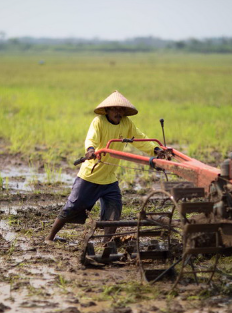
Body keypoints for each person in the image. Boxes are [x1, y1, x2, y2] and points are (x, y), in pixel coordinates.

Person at [45, 90, 165, 243]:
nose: (118, 112)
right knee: (72, 207)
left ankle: (106, 243)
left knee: (114, 210)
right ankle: (50, 238)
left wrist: (156, 149)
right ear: (107, 110)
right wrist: (90, 150)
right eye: (115, 109)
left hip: (109, 179)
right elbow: (91, 138)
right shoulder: (99, 122)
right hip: (91, 176)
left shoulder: (126, 124)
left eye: (121, 109)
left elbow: (140, 138)